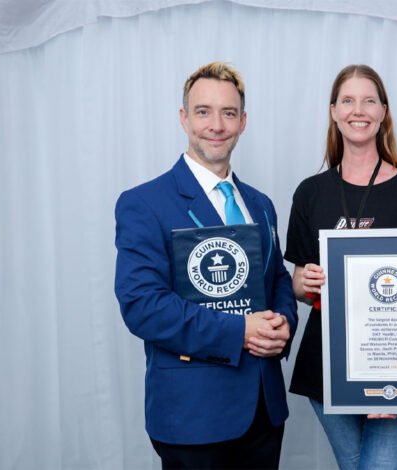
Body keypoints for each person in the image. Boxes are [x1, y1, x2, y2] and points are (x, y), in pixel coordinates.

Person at [114, 61, 297, 469]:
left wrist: (284, 322)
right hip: (193, 416)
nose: (216, 124)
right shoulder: (145, 203)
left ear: (243, 122)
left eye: (228, 113)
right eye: (203, 111)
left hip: (264, 411)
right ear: (184, 118)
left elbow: (278, 280)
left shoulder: (260, 204)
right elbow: (143, 306)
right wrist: (241, 331)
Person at [285, 64, 397, 469]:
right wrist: (305, 281)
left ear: (384, 111)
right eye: (348, 100)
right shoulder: (310, 192)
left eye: (369, 100)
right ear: (334, 111)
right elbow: (297, 286)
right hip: (327, 361)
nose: (359, 110)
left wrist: (388, 382)